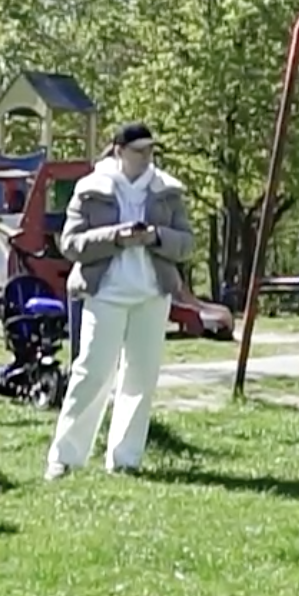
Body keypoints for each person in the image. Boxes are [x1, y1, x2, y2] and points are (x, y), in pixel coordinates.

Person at [45, 123, 195, 479]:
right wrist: (117, 237)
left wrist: (156, 237)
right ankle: (65, 457)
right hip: (105, 293)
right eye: (138, 150)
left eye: (150, 150)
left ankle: (125, 459)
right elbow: (70, 244)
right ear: (119, 151)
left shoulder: (167, 191)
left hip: (151, 294)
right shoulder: (91, 189)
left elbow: (187, 244)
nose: (146, 157)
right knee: (92, 372)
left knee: (140, 377)